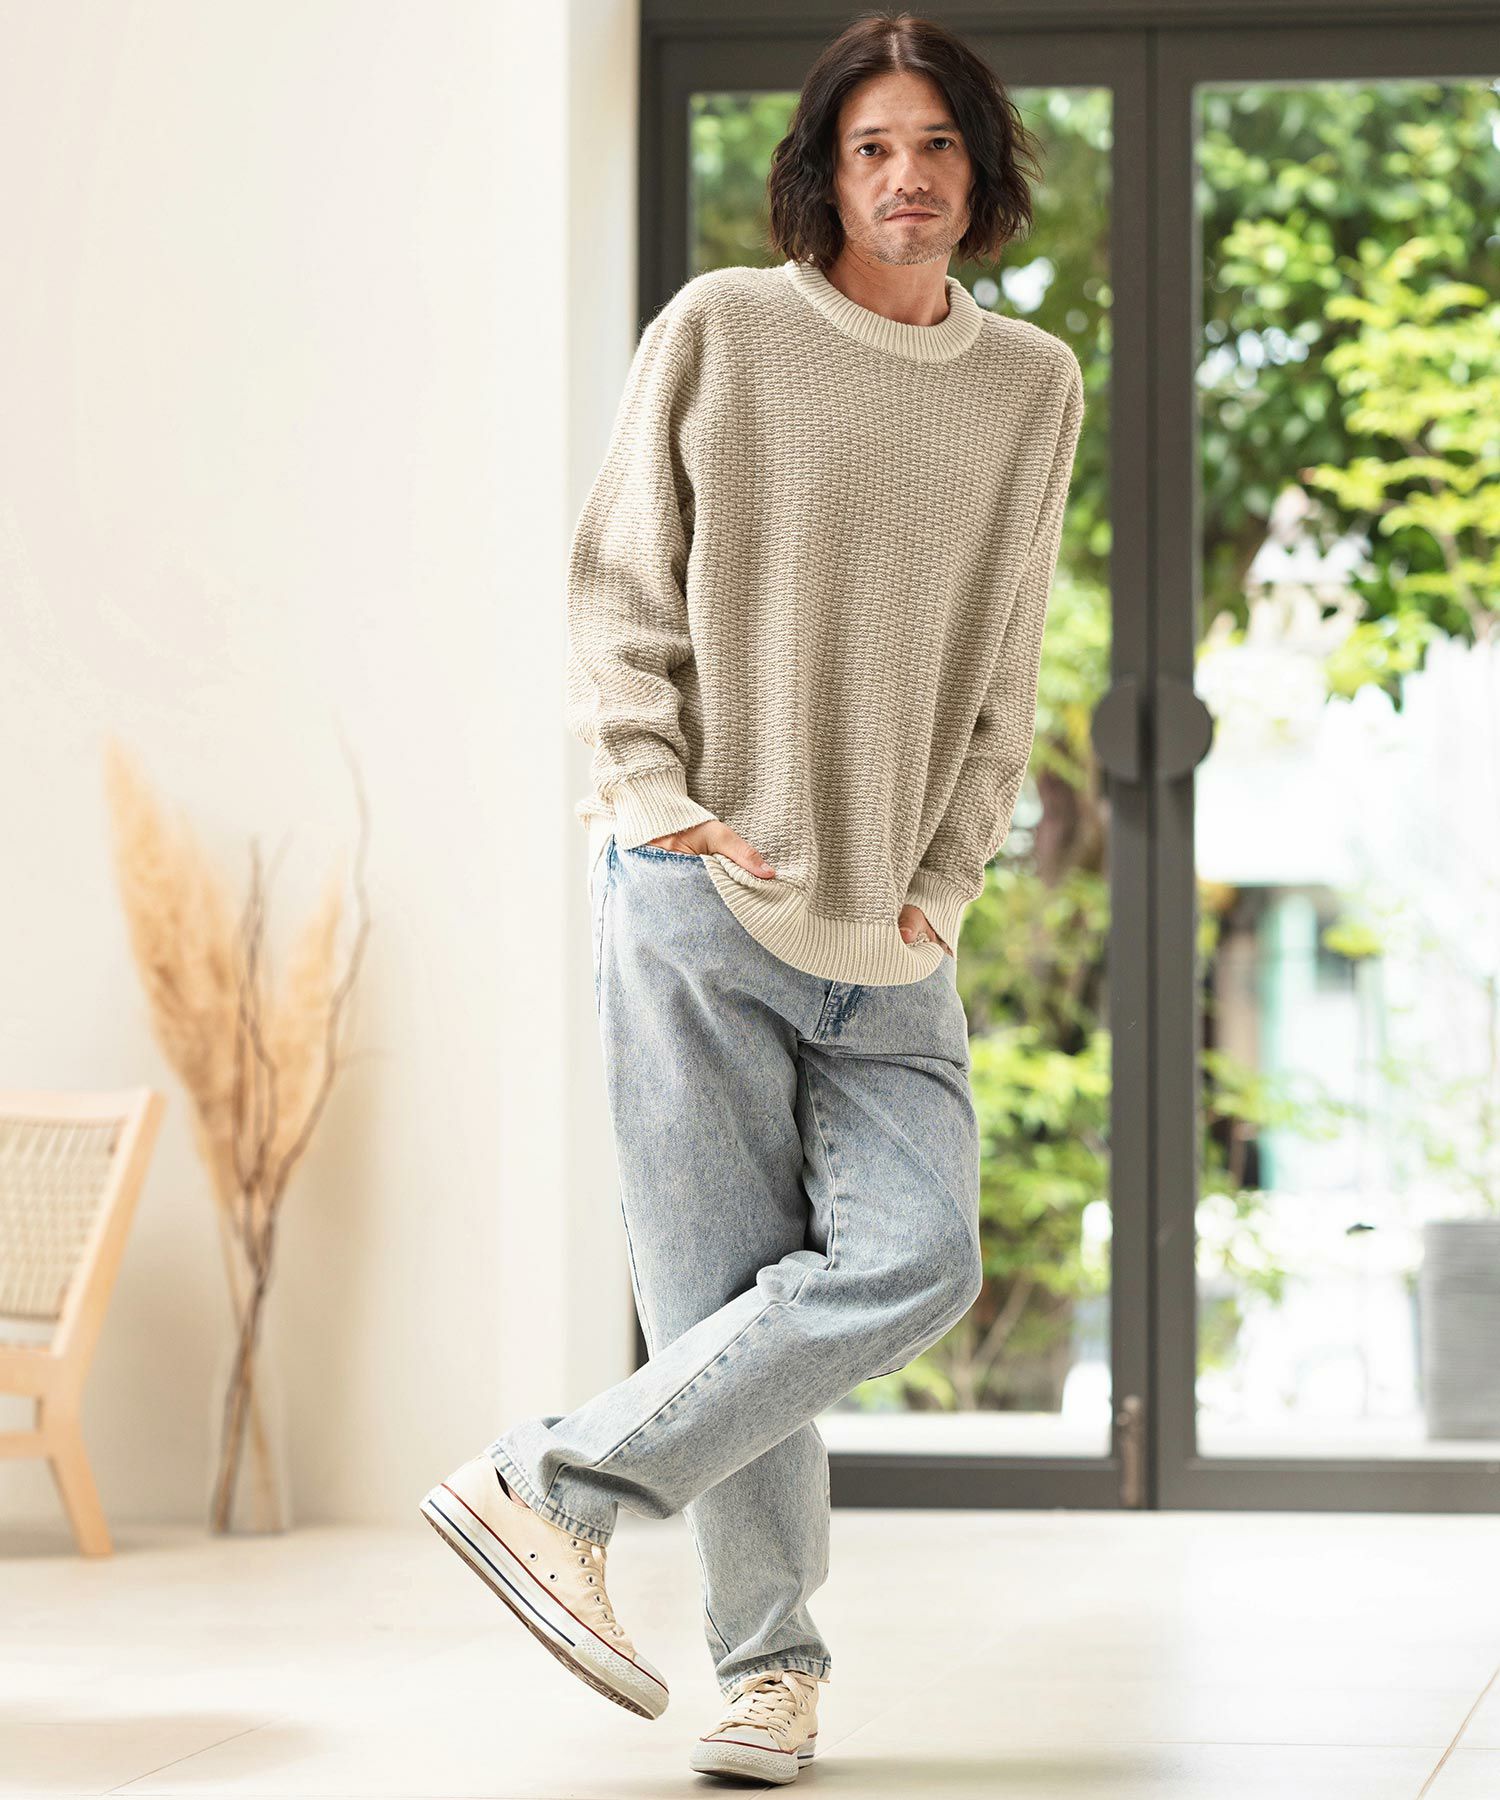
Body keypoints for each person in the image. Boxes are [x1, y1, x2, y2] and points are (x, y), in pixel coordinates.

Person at [421, 9, 1085, 1786]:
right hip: (700, 897)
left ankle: (551, 1481)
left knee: (916, 1256)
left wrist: (946, 881)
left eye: (935, 144)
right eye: (872, 147)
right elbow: (618, 587)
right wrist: (659, 805)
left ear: (980, 169)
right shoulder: (723, 327)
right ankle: (770, 1673)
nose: (906, 177)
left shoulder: (1030, 384)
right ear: (824, 172)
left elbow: (1006, 664)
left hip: (893, 929)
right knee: (726, 1291)